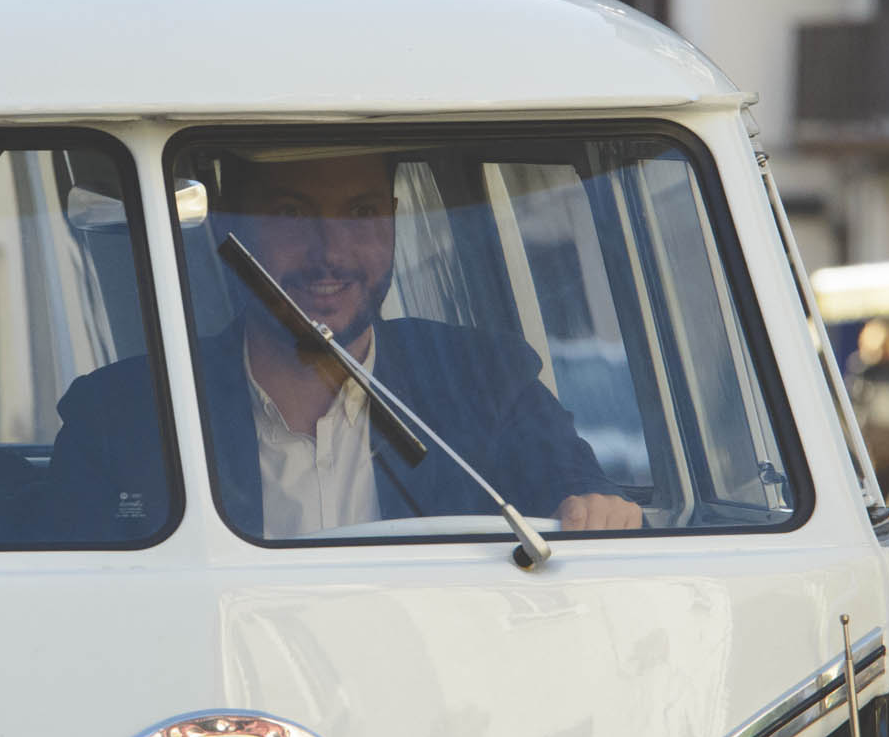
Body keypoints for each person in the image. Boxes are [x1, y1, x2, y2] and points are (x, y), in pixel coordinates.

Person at [49, 150, 641, 539]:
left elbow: (580, 493)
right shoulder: (122, 416)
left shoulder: (484, 380)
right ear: (232, 227)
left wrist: (593, 509)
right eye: (290, 213)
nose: (330, 251)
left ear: (392, 219)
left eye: (360, 213)